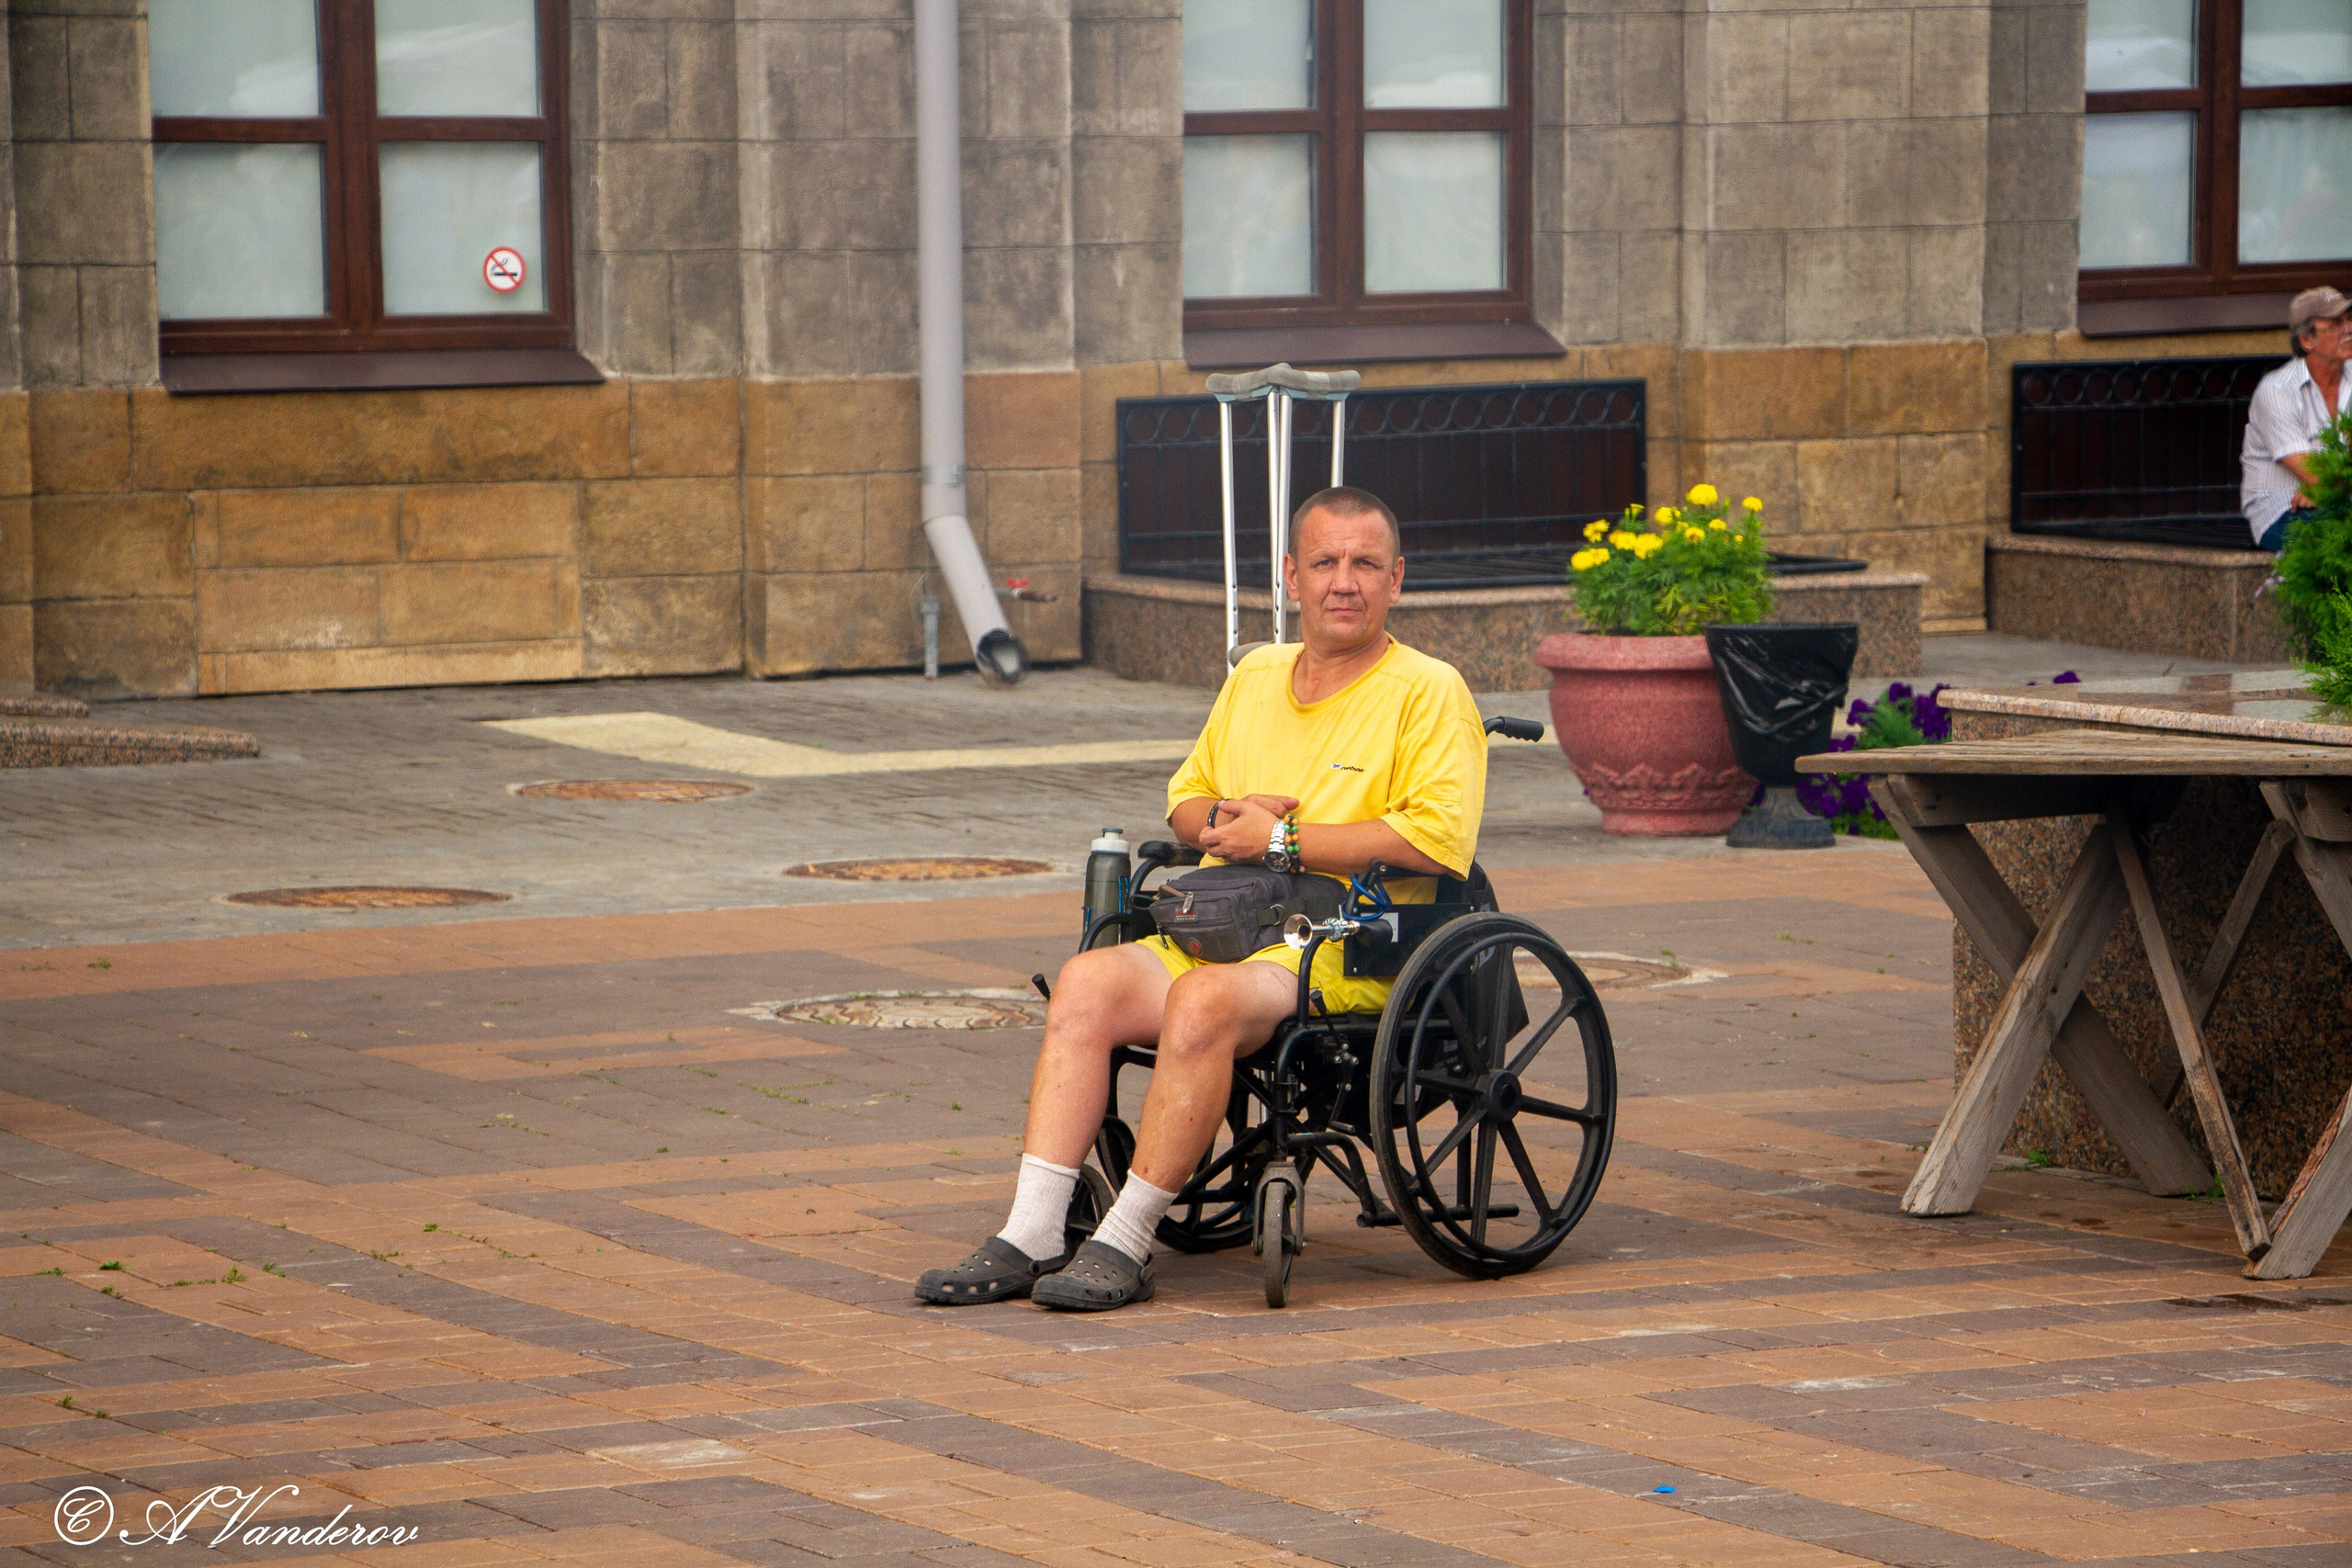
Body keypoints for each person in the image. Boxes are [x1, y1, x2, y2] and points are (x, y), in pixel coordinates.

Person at [914, 486, 1487, 1313]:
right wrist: (1224, 820)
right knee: (1085, 983)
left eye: (1365, 564)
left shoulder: (1428, 690)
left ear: (1397, 579)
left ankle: (1126, 1235)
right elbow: (1184, 804)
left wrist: (1283, 841)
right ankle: (1033, 1229)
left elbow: (1437, 842)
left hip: (1346, 935)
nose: (1344, 582)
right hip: (1222, 918)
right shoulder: (1256, 674)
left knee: (1201, 1001)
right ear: (1291, 576)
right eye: (1325, 562)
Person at [2242, 285, 2352, 551]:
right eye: (2336, 325)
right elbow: (2317, 476)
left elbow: (2327, 482)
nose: (2348, 330)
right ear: (2307, 340)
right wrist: (2324, 486)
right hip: (2282, 512)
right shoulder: (2276, 391)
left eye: (2350, 320)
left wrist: (2327, 488)